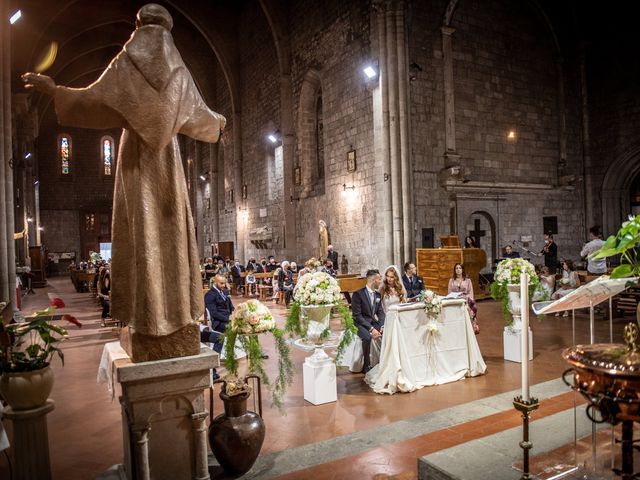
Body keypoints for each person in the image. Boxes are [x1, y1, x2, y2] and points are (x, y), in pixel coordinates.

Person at [22, 4, 226, 345]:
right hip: (168, 163)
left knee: (142, 229)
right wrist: (221, 122)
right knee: (171, 230)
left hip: (136, 162)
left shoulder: (127, 65)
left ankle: (146, 318)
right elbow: (202, 119)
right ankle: (176, 316)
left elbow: (92, 101)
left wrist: (54, 90)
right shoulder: (180, 74)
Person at [351, 269, 385, 373]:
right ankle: (366, 364)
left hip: (372, 322)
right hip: (360, 323)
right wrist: (371, 329)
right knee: (367, 337)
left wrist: (382, 325)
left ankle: (383, 362)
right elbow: (357, 316)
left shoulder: (378, 295)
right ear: (374, 280)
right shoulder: (358, 294)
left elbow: (381, 313)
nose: (380, 282)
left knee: (387, 333)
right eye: (379, 279)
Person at [203, 274, 234, 380]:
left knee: (248, 325)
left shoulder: (225, 291)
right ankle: (214, 367)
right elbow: (214, 313)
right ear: (215, 282)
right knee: (235, 330)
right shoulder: (209, 295)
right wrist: (228, 320)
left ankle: (235, 358)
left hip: (227, 319)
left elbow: (230, 307)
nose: (224, 285)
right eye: (221, 283)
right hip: (218, 322)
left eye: (225, 283)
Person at [447, 263, 479, 334]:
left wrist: (465, 298)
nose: (458, 270)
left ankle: (472, 326)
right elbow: (449, 293)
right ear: (455, 270)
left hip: (465, 299)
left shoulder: (468, 280)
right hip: (455, 300)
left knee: (471, 305)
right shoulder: (451, 280)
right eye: (456, 268)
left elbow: (471, 293)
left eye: (460, 268)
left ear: (463, 270)